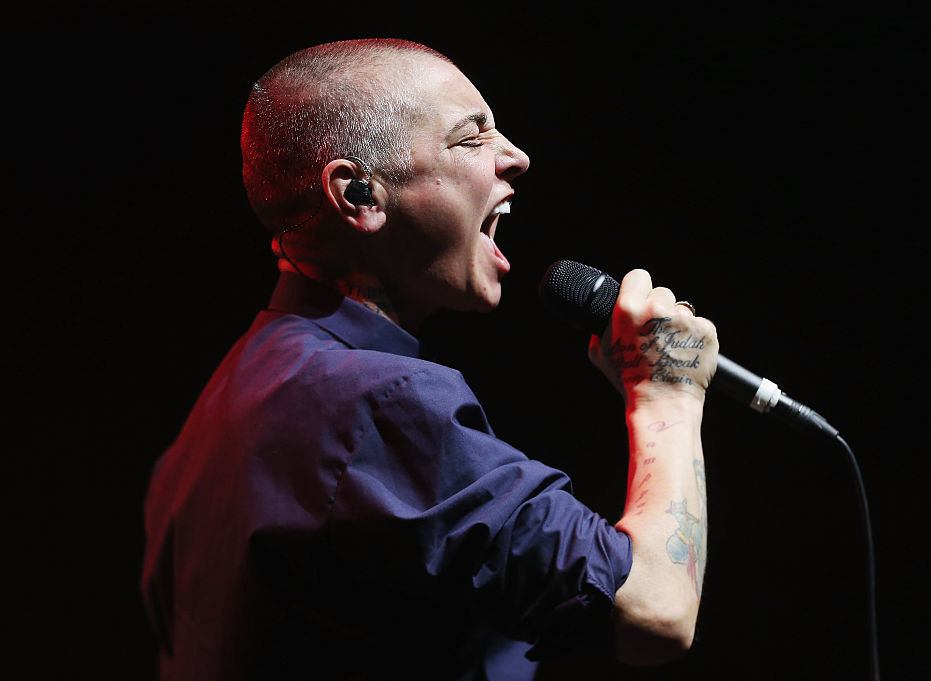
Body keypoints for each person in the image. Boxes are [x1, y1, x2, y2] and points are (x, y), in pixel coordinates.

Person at [141, 38, 719, 681]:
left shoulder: (217, 415)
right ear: (360, 194)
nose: (517, 156)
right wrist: (664, 392)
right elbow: (654, 610)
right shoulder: (371, 404)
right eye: (471, 139)